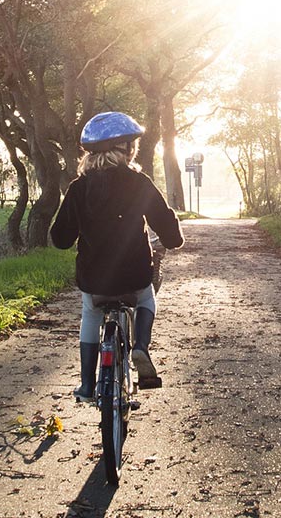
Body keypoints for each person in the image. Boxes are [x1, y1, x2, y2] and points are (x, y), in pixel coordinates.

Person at [51, 111, 184, 402]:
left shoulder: (78, 188)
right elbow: (169, 232)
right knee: (147, 298)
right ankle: (141, 347)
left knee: (90, 312)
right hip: (133, 277)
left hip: (94, 280)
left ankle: (87, 385)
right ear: (127, 149)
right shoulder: (139, 183)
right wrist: (172, 238)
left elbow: (60, 239)